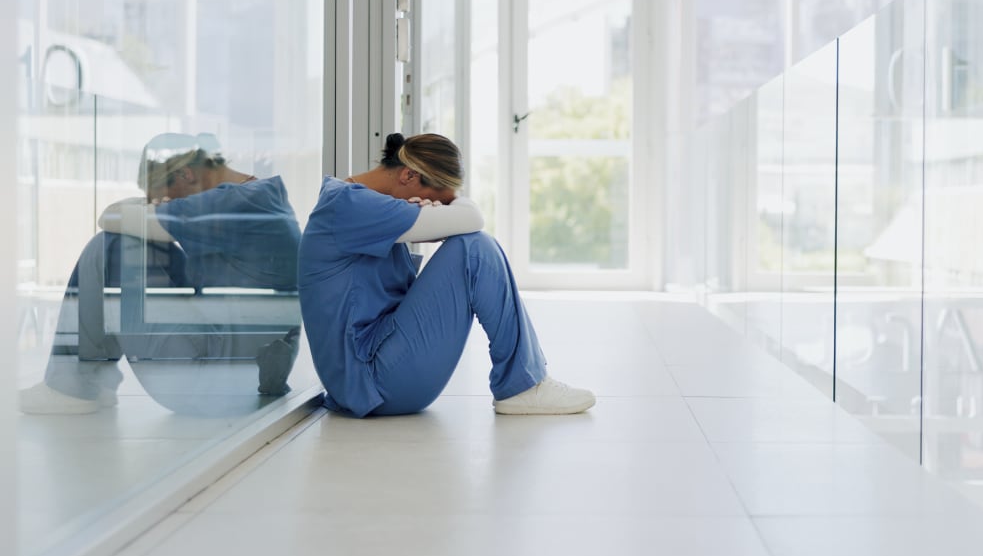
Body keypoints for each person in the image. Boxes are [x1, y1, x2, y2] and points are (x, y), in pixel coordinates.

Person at [298, 132, 594, 417]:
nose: (439, 206)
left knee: (473, 243)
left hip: (375, 373)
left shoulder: (362, 204)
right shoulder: (351, 205)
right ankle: (523, 386)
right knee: (473, 248)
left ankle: (524, 381)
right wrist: (451, 208)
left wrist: (432, 208)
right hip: (372, 381)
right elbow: (473, 218)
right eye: (438, 198)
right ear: (408, 176)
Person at [19, 133, 303, 415]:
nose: (165, 205)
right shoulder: (262, 194)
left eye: (163, 198)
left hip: (214, 383)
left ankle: (71, 389)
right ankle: (92, 382)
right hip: (257, 377)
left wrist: (148, 209)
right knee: (151, 247)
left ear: (185, 174)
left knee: (112, 246)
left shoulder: (229, 204)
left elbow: (110, 217)